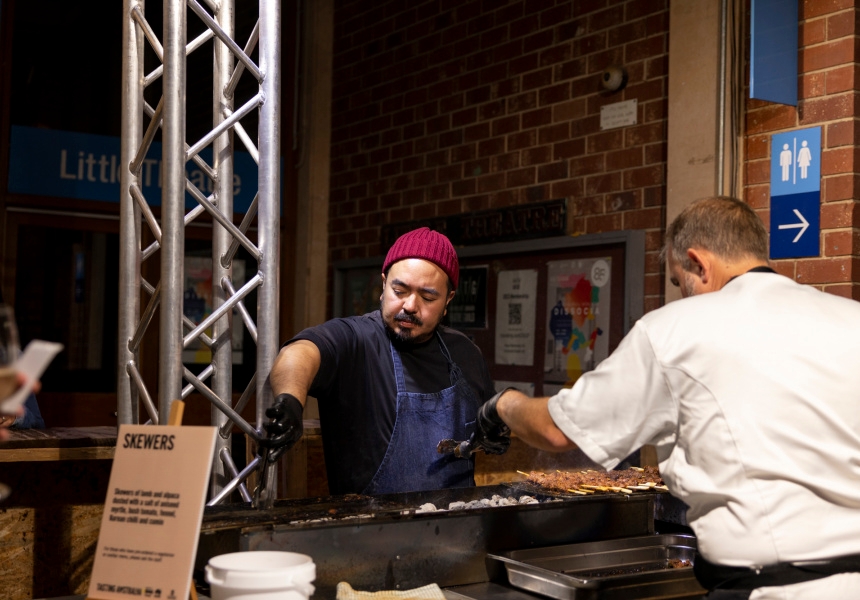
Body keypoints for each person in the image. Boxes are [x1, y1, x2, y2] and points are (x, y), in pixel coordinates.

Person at [471, 197, 860, 599]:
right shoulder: (851, 320)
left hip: (772, 589)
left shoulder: (676, 330)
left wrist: (503, 404)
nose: (682, 296)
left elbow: (556, 431)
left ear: (699, 264)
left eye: (678, 283)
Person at [266, 227, 502, 495]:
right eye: (399, 290)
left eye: (427, 297)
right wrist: (290, 399)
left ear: (448, 300)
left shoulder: (465, 352)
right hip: (372, 530)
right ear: (383, 285)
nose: (410, 306)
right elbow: (300, 353)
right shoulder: (357, 340)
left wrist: (494, 427)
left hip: (457, 527)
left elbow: (487, 417)